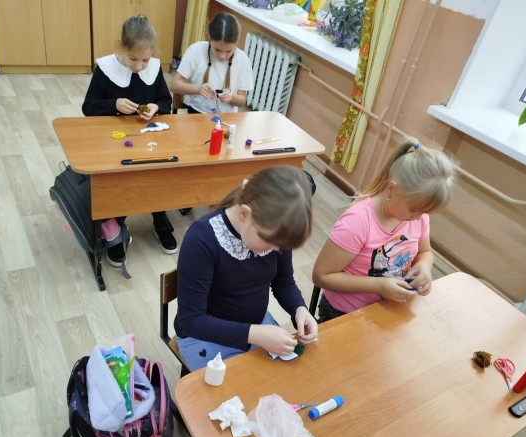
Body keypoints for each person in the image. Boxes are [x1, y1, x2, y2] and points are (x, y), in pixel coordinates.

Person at [175, 166, 319, 371]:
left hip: (256, 326)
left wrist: (299, 308)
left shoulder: (276, 230)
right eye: (270, 241)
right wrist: (255, 334)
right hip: (203, 336)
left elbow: (283, 282)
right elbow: (191, 321)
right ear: (244, 214)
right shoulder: (202, 239)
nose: (277, 249)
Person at [312, 140, 457, 322]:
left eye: (424, 212)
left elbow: (425, 252)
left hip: (390, 307)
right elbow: (321, 276)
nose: (419, 218)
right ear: (391, 189)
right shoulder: (357, 223)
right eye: (414, 210)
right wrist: (378, 285)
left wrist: (425, 267)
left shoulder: (417, 218)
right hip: (345, 313)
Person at [82, 15, 178, 266]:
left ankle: (160, 216)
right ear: (121, 47)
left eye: (145, 60)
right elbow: (88, 107)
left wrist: (156, 107)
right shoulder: (106, 69)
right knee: (121, 180)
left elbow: (166, 103)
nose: (139, 66)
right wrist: (113, 104)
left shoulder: (153, 68)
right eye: (133, 59)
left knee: (160, 171)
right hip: (113, 141)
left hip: (148, 139)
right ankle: (115, 223)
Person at [170, 12, 254, 114]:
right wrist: (199, 89)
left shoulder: (243, 60)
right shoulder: (196, 50)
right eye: (217, 50)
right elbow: (174, 85)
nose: (222, 56)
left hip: (227, 116)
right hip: (197, 112)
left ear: (237, 40)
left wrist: (231, 97)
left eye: (228, 51)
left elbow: (242, 101)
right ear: (209, 36)